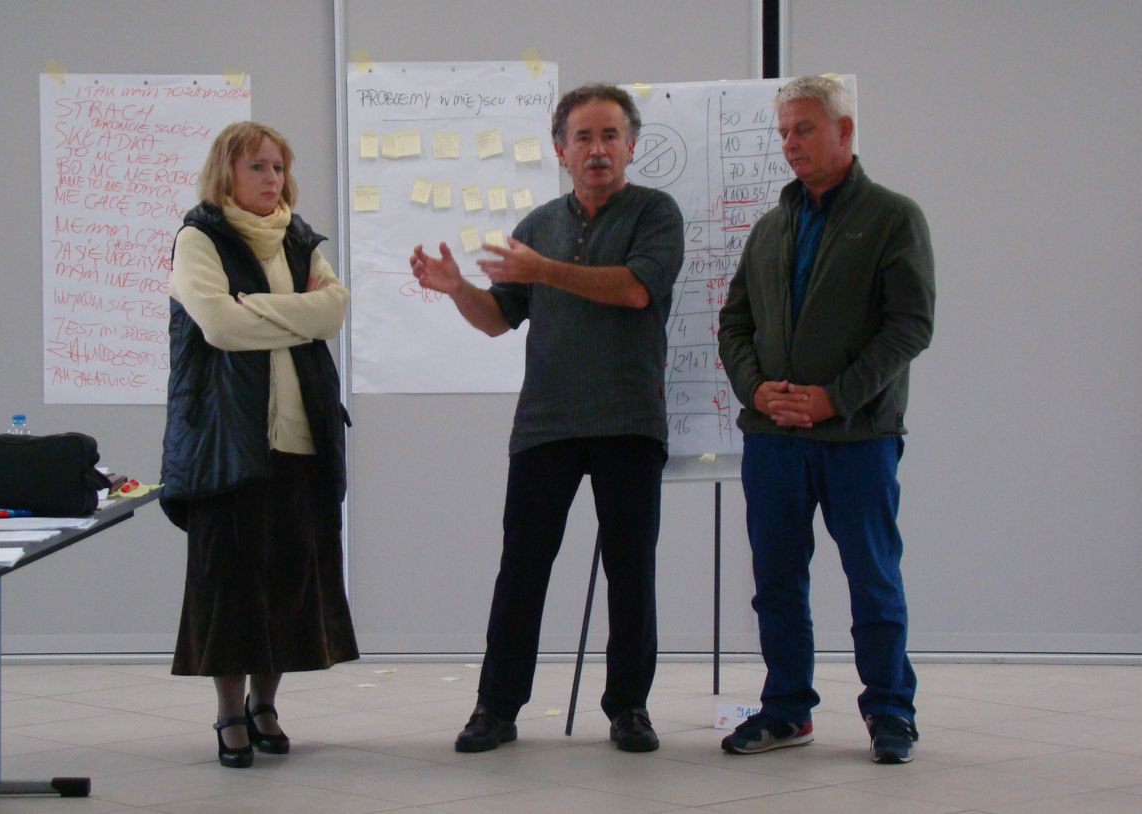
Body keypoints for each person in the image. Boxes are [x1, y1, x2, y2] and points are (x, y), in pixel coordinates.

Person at [410, 83, 684, 753]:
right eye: (583, 137)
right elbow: (498, 320)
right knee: (523, 569)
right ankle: (496, 708)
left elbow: (634, 288)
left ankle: (629, 709)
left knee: (630, 571)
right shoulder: (537, 226)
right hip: (545, 423)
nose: (598, 149)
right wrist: (458, 290)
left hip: (628, 420)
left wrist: (542, 271)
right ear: (560, 150)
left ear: (631, 146)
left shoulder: (656, 212)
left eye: (610, 135)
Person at [717, 75, 934, 764]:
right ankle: (787, 710)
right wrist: (758, 392)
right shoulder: (771, 228)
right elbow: (734, 323)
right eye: (783, 131)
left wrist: (835, 397)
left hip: (858, 438)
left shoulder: (893, 217)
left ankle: (891, 711)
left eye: (803, 129)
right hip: (773, 440)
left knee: (873, 578)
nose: (790, 143)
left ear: (844, 131)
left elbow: (910, 326)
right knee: (777, 582)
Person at [160, 121, 359, 769]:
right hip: (226, 442)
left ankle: (264, 705)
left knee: (288, 582)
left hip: (302, 441)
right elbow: (218, 326)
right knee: (230, 585)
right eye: (258, 167)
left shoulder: (298, 238)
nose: (272, 179)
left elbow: (334, 311)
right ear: (227, 173)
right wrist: (296, 315)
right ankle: (228, 714)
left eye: (278, 167)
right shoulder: (199, 239)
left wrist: (258, 308)